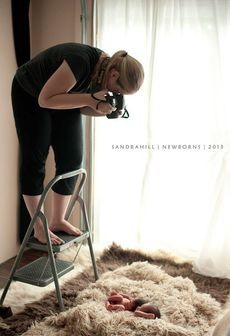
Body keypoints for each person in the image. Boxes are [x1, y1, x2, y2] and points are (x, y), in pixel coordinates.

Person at [11, 43, 144, 245]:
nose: (119, 95)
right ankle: (38, 227)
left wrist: (101, 108)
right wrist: (91, 99)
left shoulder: (104, 71)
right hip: (30, 93)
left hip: (60, 95)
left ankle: (58, 220)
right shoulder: (81, 62)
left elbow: (82, 106)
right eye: (120, 90)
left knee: (73, 157)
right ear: (114, 75)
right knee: (35, 157)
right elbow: (45, 100)